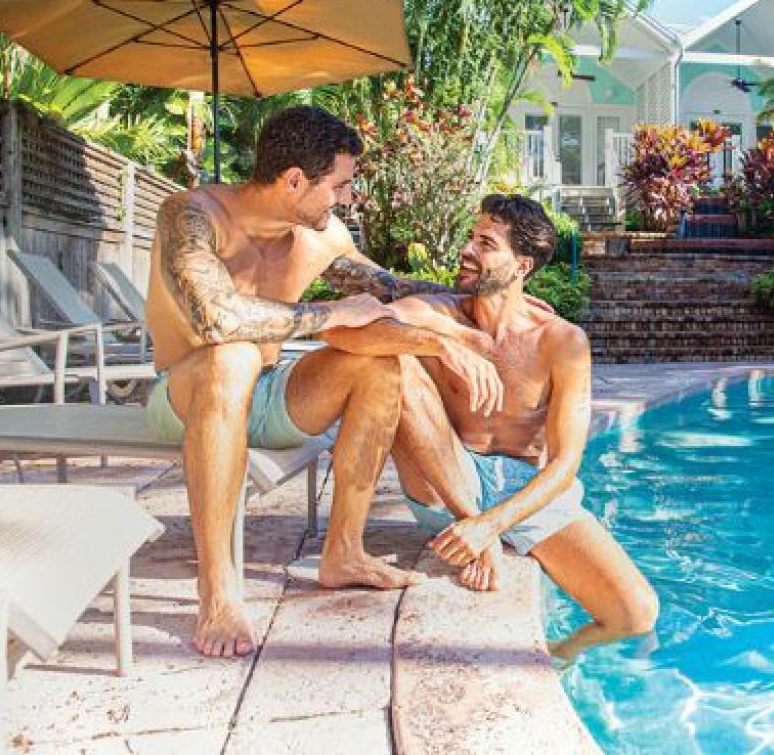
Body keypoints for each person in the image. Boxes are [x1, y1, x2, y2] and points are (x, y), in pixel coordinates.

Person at [144, 105, 503, 658]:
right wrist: (329, 315)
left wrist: (489, 298)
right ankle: (218, 591)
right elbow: (213, 319)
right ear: (294, 181)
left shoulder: (321, 234)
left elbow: (385, 288)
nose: (345, 198)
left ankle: (344, 552)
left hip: (268, 395)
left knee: (380, 362)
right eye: (339, 185)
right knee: (231, 357)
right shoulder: (191, 215)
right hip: (189, 395)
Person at [326, 194, 660, 660]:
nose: (468, 249)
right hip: (445, 478)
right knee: (394, 366)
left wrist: (490, 527)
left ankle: (559, 658)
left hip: (520, 489)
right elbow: (337, 330)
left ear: (521, 265)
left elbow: (565, 465)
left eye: (485, 243)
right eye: (471, 237)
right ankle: (470, 520)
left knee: (635, 613)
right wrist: (442, 346)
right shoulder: (439, 314)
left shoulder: (561, 342)